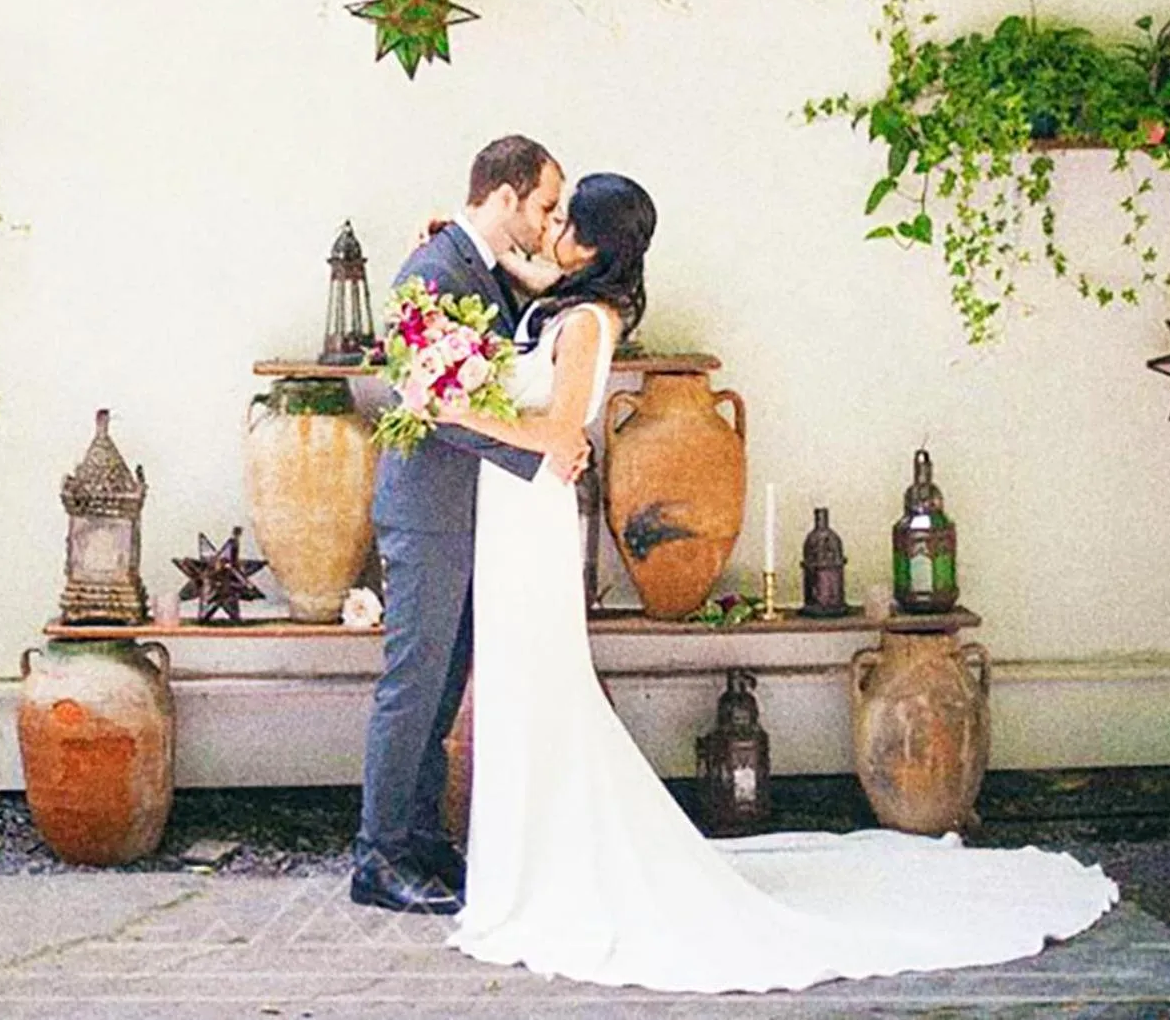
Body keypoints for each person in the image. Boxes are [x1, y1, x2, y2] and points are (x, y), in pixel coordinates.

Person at [440, 171, 1120, 993]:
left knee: (539, 682)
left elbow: (557, 431)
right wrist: (461, 244)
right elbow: (529, 277)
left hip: (533, 513)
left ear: (588, 240)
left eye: (561, 217)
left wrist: (450, 407)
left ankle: (544, 872)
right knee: (519, 681)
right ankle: (528, 861)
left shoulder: (586, 321)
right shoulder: (567, 300)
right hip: (510, 514)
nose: (548, 227)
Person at [350, 135, 584, 916]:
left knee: (444, 686)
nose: (549, 221)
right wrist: (542, 448)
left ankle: (421, 839)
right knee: (412, 685)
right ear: (506, 194)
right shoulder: (432, 272)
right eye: (545, 205)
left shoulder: (479, 267)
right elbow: (439, 406)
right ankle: (378, 855)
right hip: (426, 514)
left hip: (466, 516)